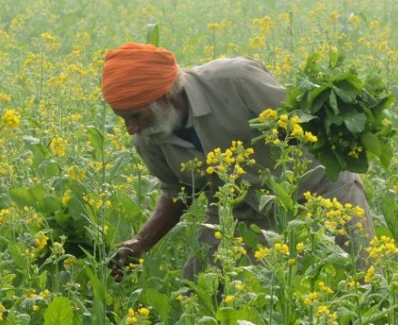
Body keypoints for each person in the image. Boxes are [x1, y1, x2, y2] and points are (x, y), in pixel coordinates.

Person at [102, 42, 374, 280]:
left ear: (164, 97)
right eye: (123, 118)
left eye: (135, 116)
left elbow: (303, 122)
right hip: (239, 211)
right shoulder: (149, 136)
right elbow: (177, 192)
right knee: (202, 292)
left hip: (320, 192)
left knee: (357, 285)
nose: (130, 129)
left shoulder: (235, 80)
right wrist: (141, 243)